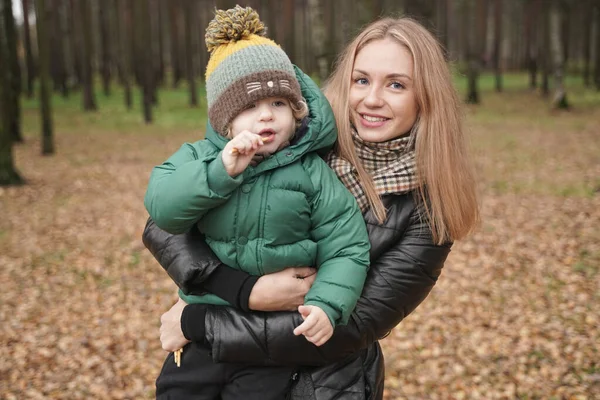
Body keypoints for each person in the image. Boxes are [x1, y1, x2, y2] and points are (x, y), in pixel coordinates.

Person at [144, 15, 480, 400]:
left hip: (324, 385)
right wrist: (241, 289)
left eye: (397, 85)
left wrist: (199, 321)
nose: (372, 99)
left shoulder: (430, 212)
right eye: (362, 79)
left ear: (426, 97)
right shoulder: (298, 139)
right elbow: (163, 224)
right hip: (213, 365)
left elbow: (351, 326)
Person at [143, 6, 370, 400]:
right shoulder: (200, 158)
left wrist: (326, 304)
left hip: (269, 343)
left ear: (296, 113)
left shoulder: (312, 173)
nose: (266, 115)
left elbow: (347, 245)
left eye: (279, 104)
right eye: (249, 107)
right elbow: (162, 208)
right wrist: (220, 171)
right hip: (200, 331)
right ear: (224, 120)